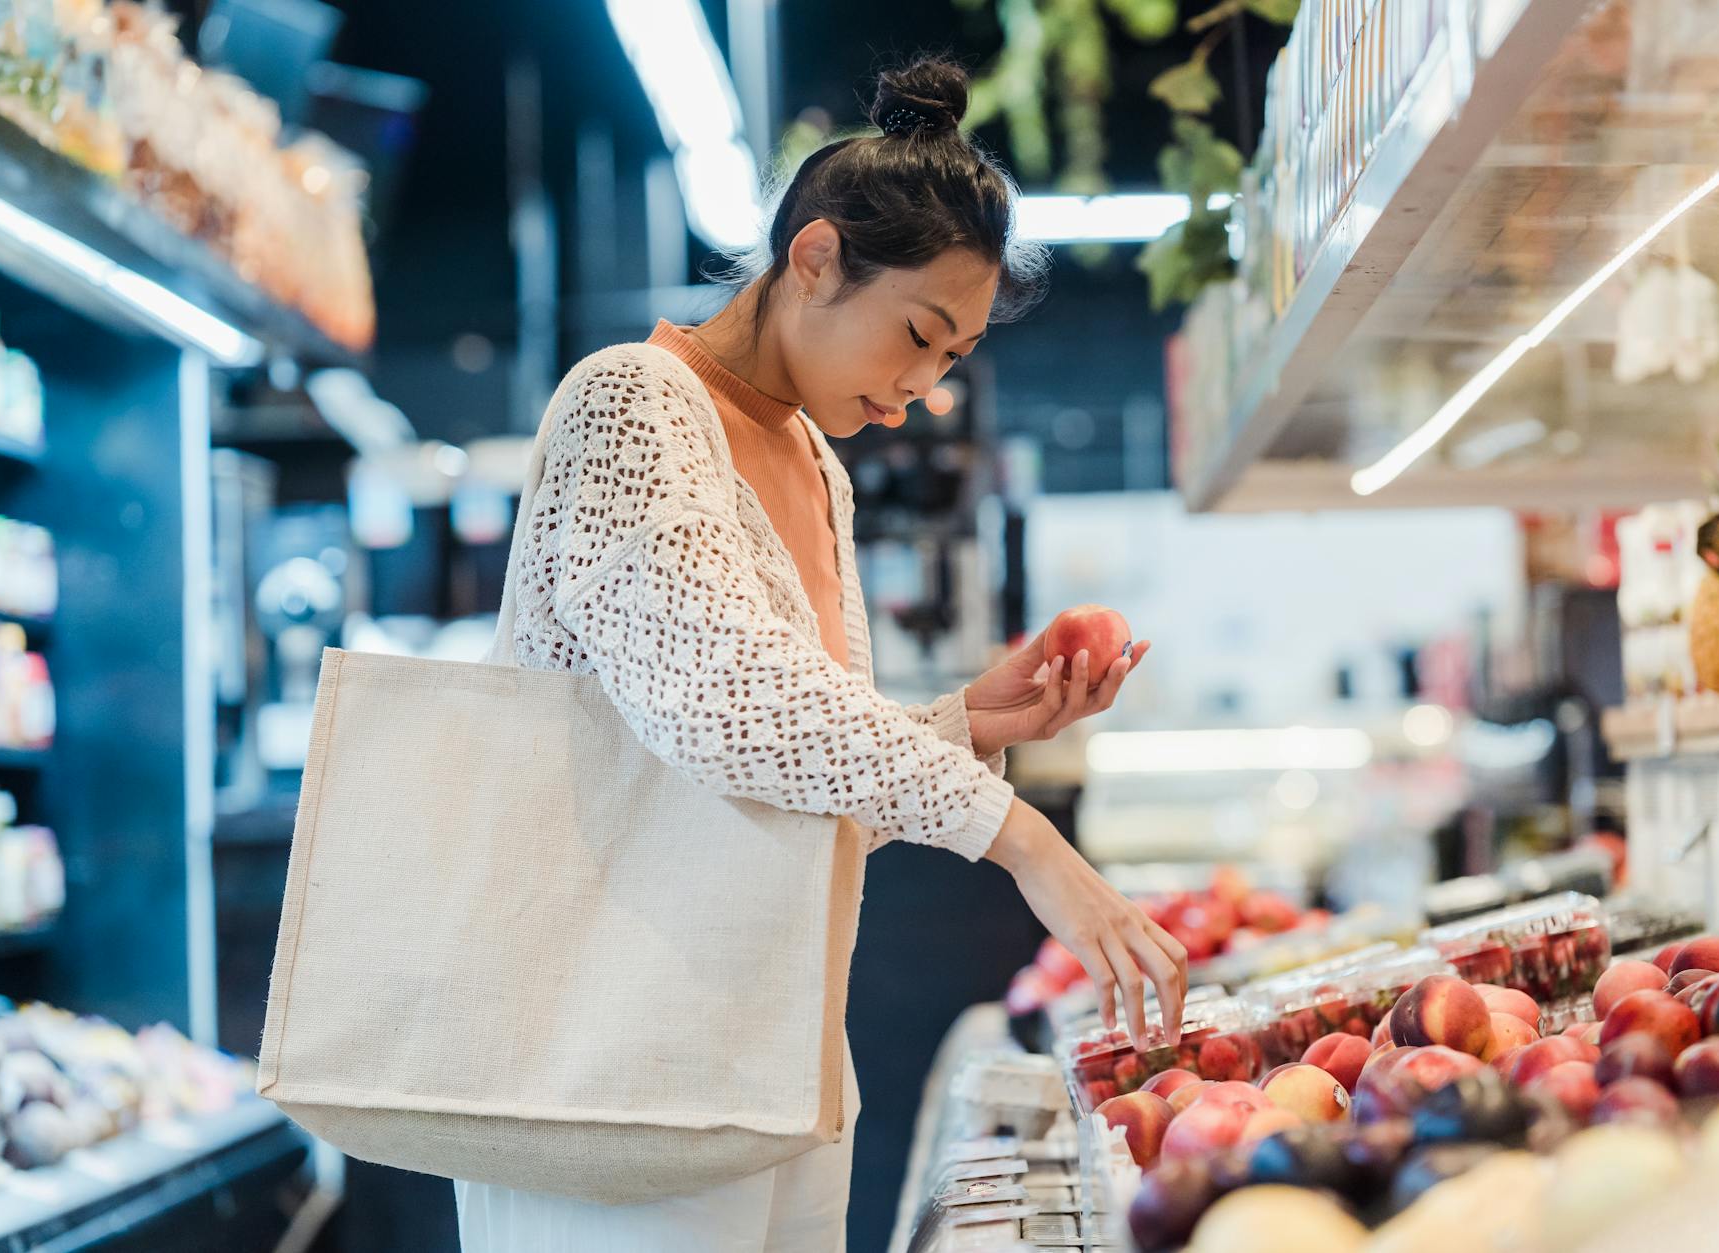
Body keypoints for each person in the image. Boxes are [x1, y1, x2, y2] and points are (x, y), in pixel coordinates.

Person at [453, 53, 1187, 1253]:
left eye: (950, 358)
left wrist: (967, 724)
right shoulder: (631, 403)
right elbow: (719, 699)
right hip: (608, 1075)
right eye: (916, 333)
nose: (918, 385)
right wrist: (1023, 840)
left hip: (778, 1062)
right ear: (814, 257)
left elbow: (783, 780)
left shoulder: (814, 464)